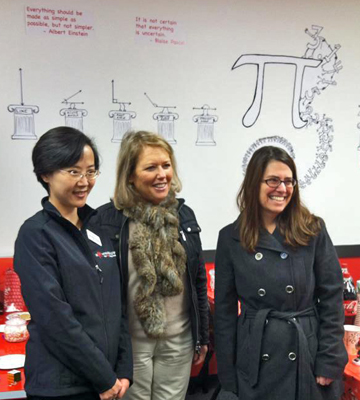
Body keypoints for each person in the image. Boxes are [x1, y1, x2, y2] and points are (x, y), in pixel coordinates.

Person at [214, 146, 347, 400]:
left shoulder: (312, 229)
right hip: (255, 356)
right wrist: (228, 377)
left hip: (306, 352)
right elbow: (224, 314)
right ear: (254, 183)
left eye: (288, 181)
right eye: (273, 180)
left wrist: (329, 360)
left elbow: (332, 297)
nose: (282, 189)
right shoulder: (231, 237)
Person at [14, 126, 132, 400]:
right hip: (63, 386)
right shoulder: (36, 234)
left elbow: (118, 306)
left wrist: (124, 370)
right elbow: (54, 319)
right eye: (73, 171)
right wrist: (104, 377)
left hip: (108, 381)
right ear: (45, 174)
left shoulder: (99, 229)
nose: (84, 181)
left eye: (91, 171)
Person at [96, 130, 209, 400]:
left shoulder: (184, 215)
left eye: (166, 165)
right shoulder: (106, 220)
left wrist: (203, 335)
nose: (162, 175)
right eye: (151, 167)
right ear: (130, 175)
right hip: (130, 345)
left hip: (179, 341)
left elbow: (197, 280)